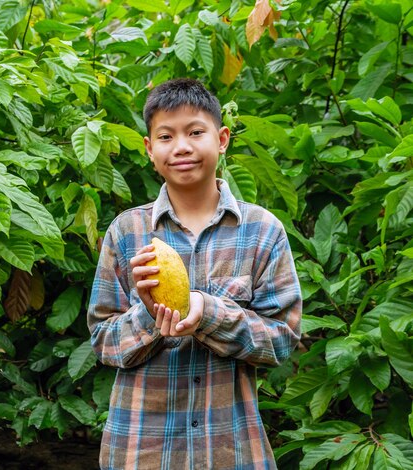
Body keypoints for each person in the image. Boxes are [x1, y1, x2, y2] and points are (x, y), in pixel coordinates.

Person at [87, 78, 302, 469]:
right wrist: (149, 315)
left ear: (221, 139)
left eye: (195, 132)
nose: (182, 146)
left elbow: (283, 341)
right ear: (150, 150)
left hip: (230, 448)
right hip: (141, 450)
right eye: (166, 136)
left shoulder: (262, 231)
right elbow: (103, 342)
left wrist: (207, 311)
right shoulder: (127, 232)